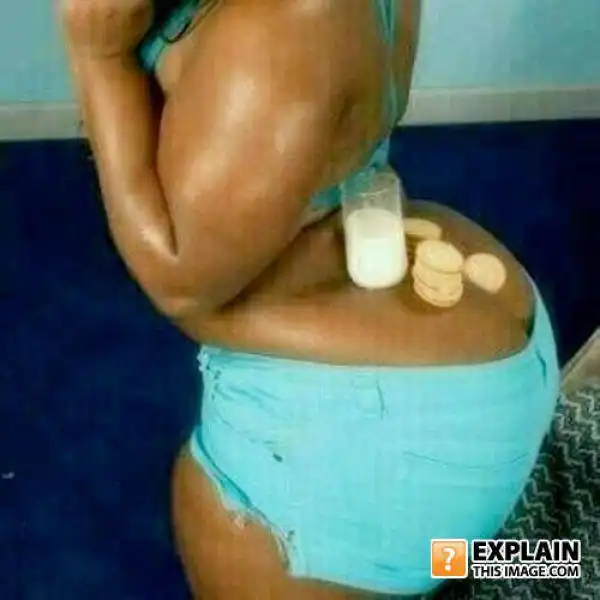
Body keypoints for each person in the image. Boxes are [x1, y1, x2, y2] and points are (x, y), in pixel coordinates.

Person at [59, 1, 560, 598]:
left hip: (399, 435)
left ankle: (436, 554)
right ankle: (515, 559)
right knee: (452, 559)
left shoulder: (284, 26)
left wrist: (101, 59)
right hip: (486, 395)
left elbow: (178, 280)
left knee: (208, 500)